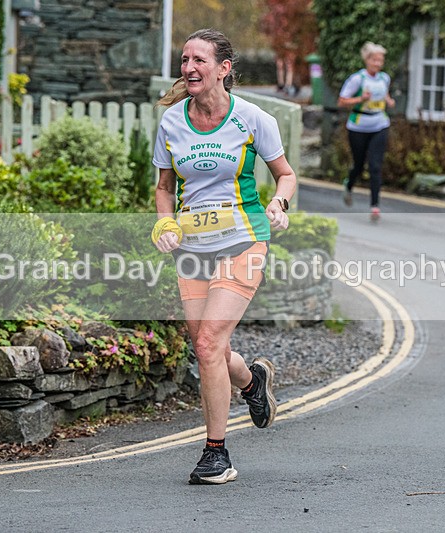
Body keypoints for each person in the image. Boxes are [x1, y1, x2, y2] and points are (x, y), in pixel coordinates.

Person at [151, 28, 297, 485]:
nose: (189, 68)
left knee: (210, 343)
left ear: (223, 68)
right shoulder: (172, 122)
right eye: (185, 60)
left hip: (244, 240)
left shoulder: (252, 118)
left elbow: (285, 175)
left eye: (199, 60)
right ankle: (253, 383)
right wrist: (165, 222)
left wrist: (279, 203)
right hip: (193, 247)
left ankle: (216, 454)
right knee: (207, 347)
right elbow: (163, 187)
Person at [338, 41, 396, 220]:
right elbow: (342, 101)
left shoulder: (384, 78)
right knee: (359, 164)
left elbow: (384, 93)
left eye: (381, 60)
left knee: (375, 165)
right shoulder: (358, 79)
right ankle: (349, 185)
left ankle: (375, 206)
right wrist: (360, 99)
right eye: (375, 60)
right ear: (367, 60)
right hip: (358, 125)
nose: (378, 64)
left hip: (379, 123)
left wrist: (389, 100)